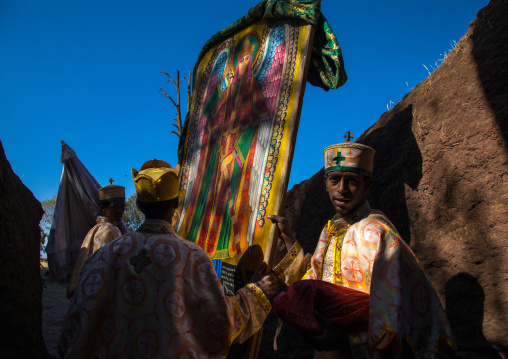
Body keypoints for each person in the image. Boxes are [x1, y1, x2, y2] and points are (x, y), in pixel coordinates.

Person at [59, 159, 276, 359]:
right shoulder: (192, 256)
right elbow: (221, 323)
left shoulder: (106, 254)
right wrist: (255, 293)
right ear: (175, 205)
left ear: (138, 206)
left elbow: (74, 329)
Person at [269, 140, 456, 358]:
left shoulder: (376, 232)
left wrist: (343, 338)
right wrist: (288, 239)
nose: (342, 189)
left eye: (352, 181)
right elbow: (314, 283)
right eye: (334, 179)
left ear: (367, 185)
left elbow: (393, 313)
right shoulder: (330, 230)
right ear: (325, 182)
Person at [182, 35, 270, 260]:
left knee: (233, 200)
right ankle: (207, 248)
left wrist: (234, 156)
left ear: (251, 62)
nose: (242, 64)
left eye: (247, 60)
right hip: (219, 152)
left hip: (238, 152)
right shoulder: (229, 89)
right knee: (212, 200)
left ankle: (232, 249)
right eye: (239, 60)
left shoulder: (252, 85)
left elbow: (255, 124)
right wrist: (214, 91)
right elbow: (213, 119)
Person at [66, 182, 127, 297]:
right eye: (115, 207)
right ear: (103, 209)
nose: (120, 211)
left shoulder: (96, 229)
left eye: (122, 206)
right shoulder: (109, 231)